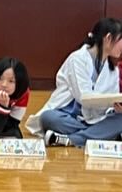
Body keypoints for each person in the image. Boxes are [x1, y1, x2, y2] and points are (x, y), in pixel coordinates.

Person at [27, 18, 122, 147]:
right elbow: (84, 97)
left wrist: (116, 109)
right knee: (48, 117)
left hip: (97, 118)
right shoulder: (77, 59)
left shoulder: (113, 70)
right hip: (70, 117)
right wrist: (108, 103)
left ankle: (70, 139)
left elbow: (111, 102)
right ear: (108, 38)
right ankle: (101, 135)